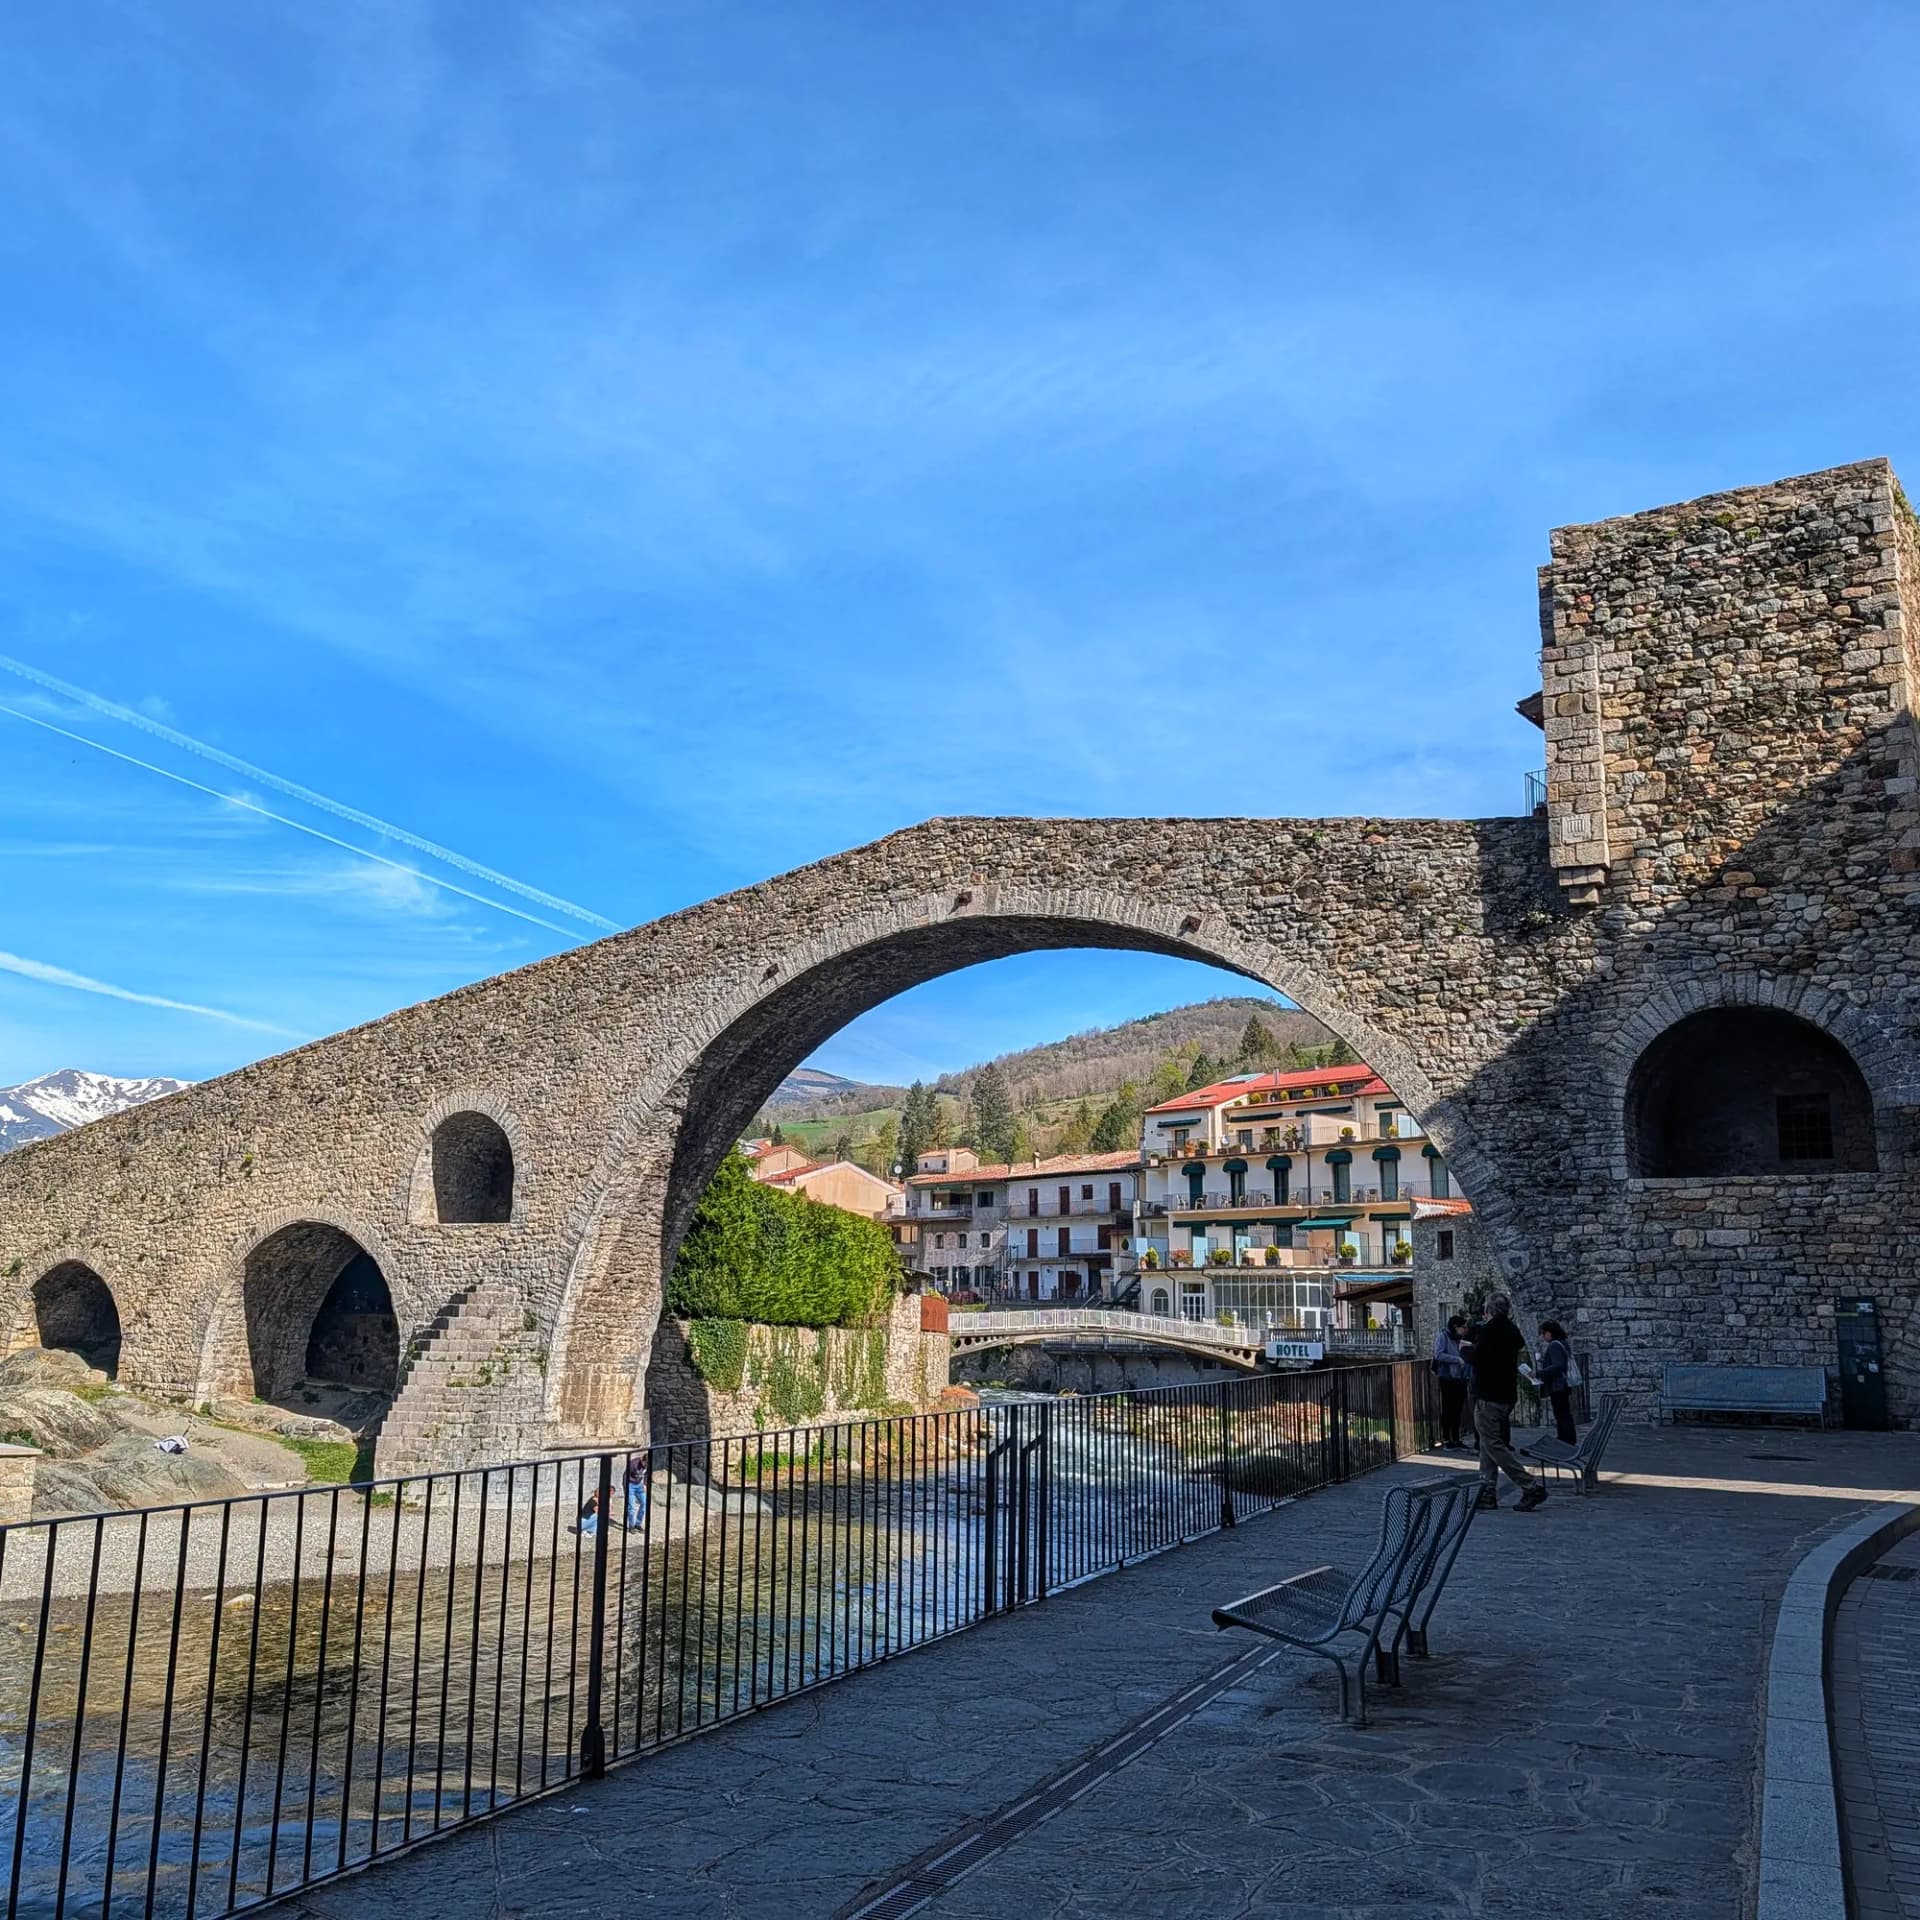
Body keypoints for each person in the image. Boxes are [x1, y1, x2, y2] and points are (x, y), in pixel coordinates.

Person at [1464, 1293, 1546, 1512]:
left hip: (1488, 1395)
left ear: (1489, 1310)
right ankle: (1487, 1493)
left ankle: (1530, 1485)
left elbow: (1476, 1358)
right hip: (1506, 1394)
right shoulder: (1511, 1330)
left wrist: (1464, 1347)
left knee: (1492, 1444)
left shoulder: (1489, 1331)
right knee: (1486, 1444)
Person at [1431, 1314, 1470, 1448]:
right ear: (1455, 1327)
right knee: (1448, 1408)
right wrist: (1457, 1359)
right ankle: (1447, 1439)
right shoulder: (1443, 1337)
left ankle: (1456, 1438)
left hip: (1459, 1377)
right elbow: (1438, 1354)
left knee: (1458, 1408)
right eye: (1463, 1327)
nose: (1465, 1330)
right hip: (1447, 1377)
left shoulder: (1458, 1339)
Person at [1536, 1320, 1577, 1445]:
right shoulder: (1563, 1343)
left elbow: (1557, 1366)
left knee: (1561, 1412)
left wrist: (1539, 1373)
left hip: (1557, 1384)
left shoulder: (1554, 1345)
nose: (1542, 1336)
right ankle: (1568, 1437)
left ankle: (1565, 1438)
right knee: (1564, 1412)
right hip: (1564, 1384)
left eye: (1543, 1333)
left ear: (1550, 1333)